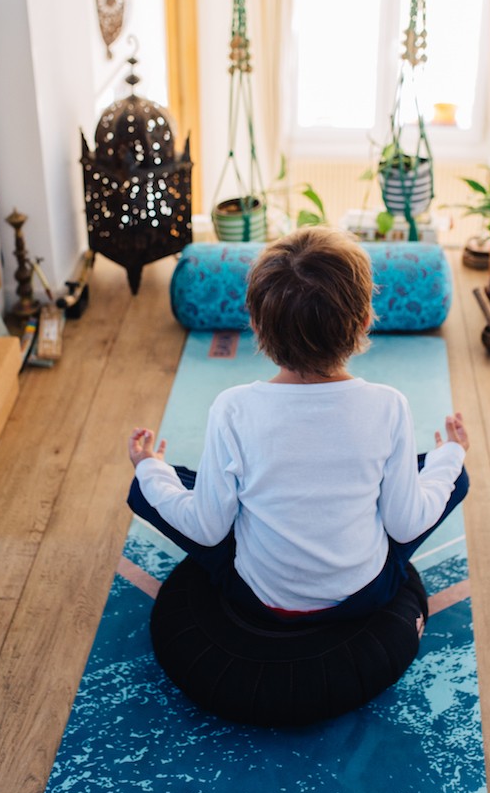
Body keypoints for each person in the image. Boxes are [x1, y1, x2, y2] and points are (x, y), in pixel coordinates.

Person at [127, 226, 469, 631]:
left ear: (255, 324)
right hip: (361, 597)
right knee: (454, 480)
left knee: (156, 489)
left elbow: (207, 528)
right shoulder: (388, 406)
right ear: (363, 323)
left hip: (257, 598)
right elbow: (404, 524)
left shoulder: (232, 409)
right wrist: (448, 458)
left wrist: (149, 469)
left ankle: (152, 474)